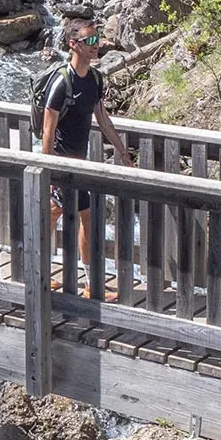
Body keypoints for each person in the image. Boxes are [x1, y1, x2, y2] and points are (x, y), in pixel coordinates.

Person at [40, 16, 134, 293]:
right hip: (60, 162)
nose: (96, 45)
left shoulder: (94, 79)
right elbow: (47, 132)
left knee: (75, 217)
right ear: (73, 44)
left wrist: (122, 151)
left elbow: (103, 119)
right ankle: (46, 273)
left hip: (78, 164)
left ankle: (83, 281)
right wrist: (49, 172)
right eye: (90, 41)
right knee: (61, 215)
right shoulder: (60, 83)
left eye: (98, 39)